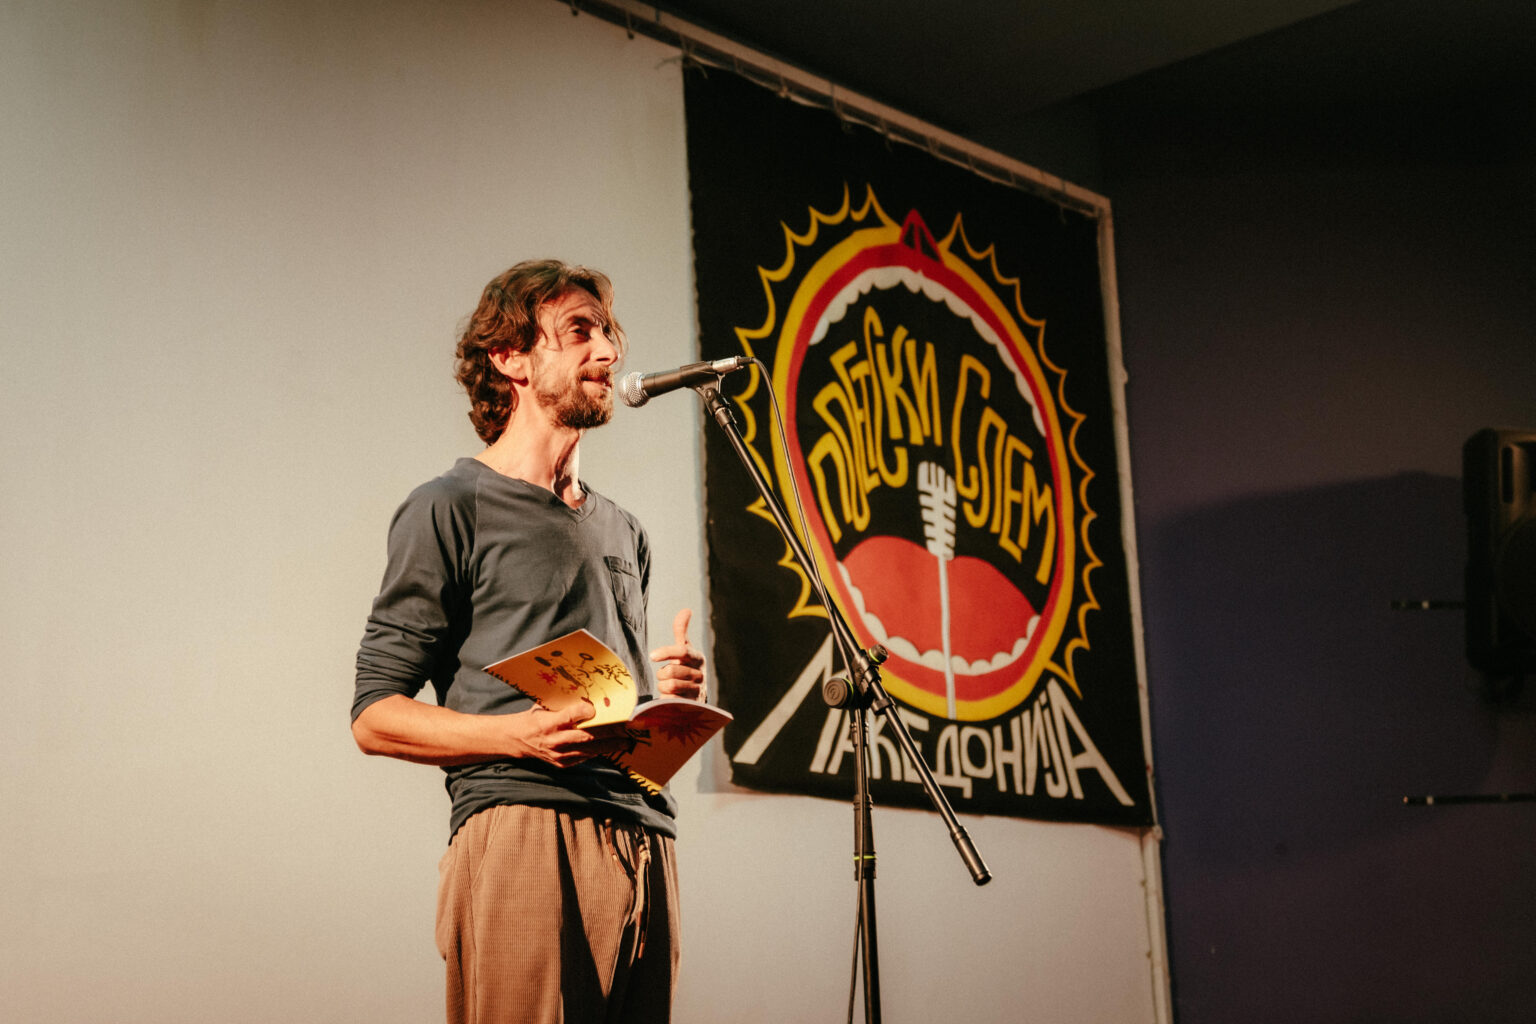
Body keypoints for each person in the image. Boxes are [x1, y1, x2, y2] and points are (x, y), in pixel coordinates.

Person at [351, 259, 706, 1024]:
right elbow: (374, 716)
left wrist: (659, 703)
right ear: (509, 357)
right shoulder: (450, 506)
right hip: (524, 827)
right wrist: (517, 736)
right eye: (579, 331)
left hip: (645, 834)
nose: (608, 350)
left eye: (607, 332)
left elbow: (599, 701)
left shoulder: (624, 530)